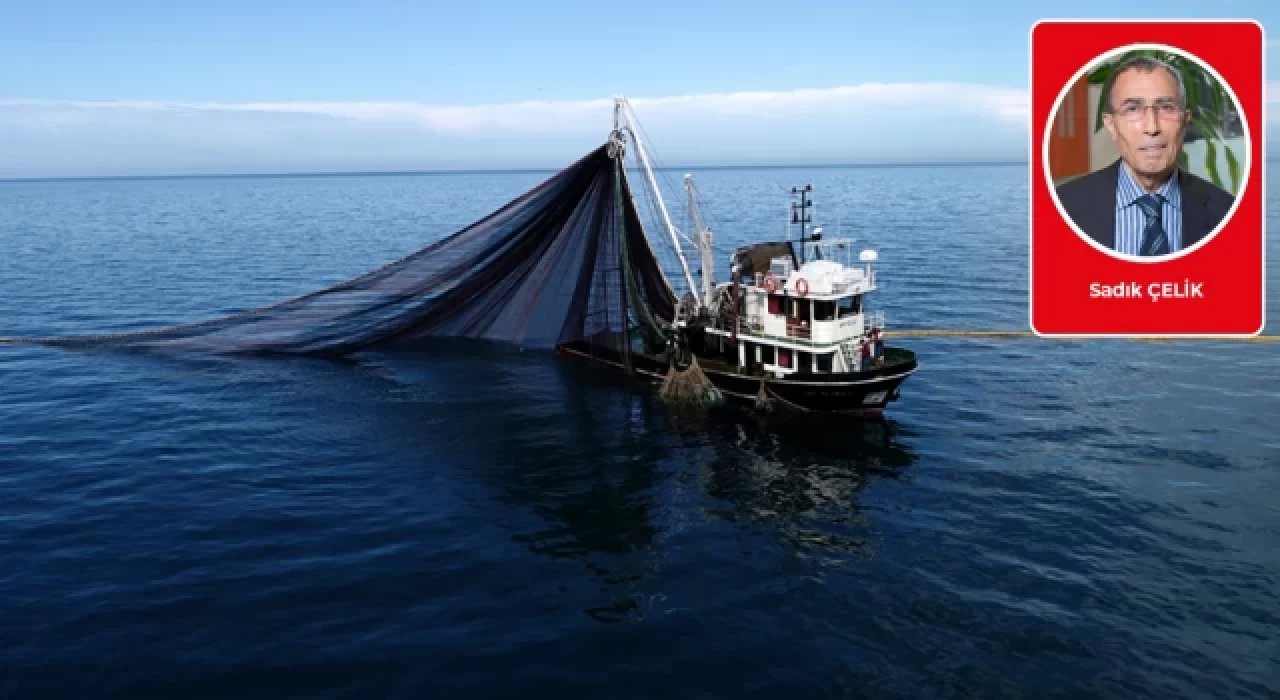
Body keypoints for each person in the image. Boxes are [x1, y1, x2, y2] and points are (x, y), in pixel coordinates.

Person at [1055, 55, 1234, 257]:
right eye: (1132, 109)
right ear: (1111, 125)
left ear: (1185, 121)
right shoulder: (1062, 207)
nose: (1151, 128)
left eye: (1166, 108)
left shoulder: (1227, 211)